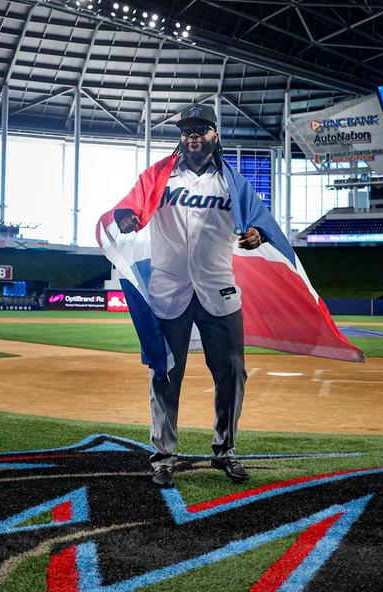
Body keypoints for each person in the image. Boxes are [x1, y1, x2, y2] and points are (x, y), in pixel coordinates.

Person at [114, 104, 263, 488]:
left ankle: (225, 449)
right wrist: (126, 217)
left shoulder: (232, 181)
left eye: (201, 128)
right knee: (164, 373)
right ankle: (164, 456)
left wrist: (257, 234)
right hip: (169, 289)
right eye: (186, 130)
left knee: (232, 372)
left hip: (220, 289)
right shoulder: (158, 177)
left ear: (215, 135)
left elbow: (260, 221)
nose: (192, 134)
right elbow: (131, 205)